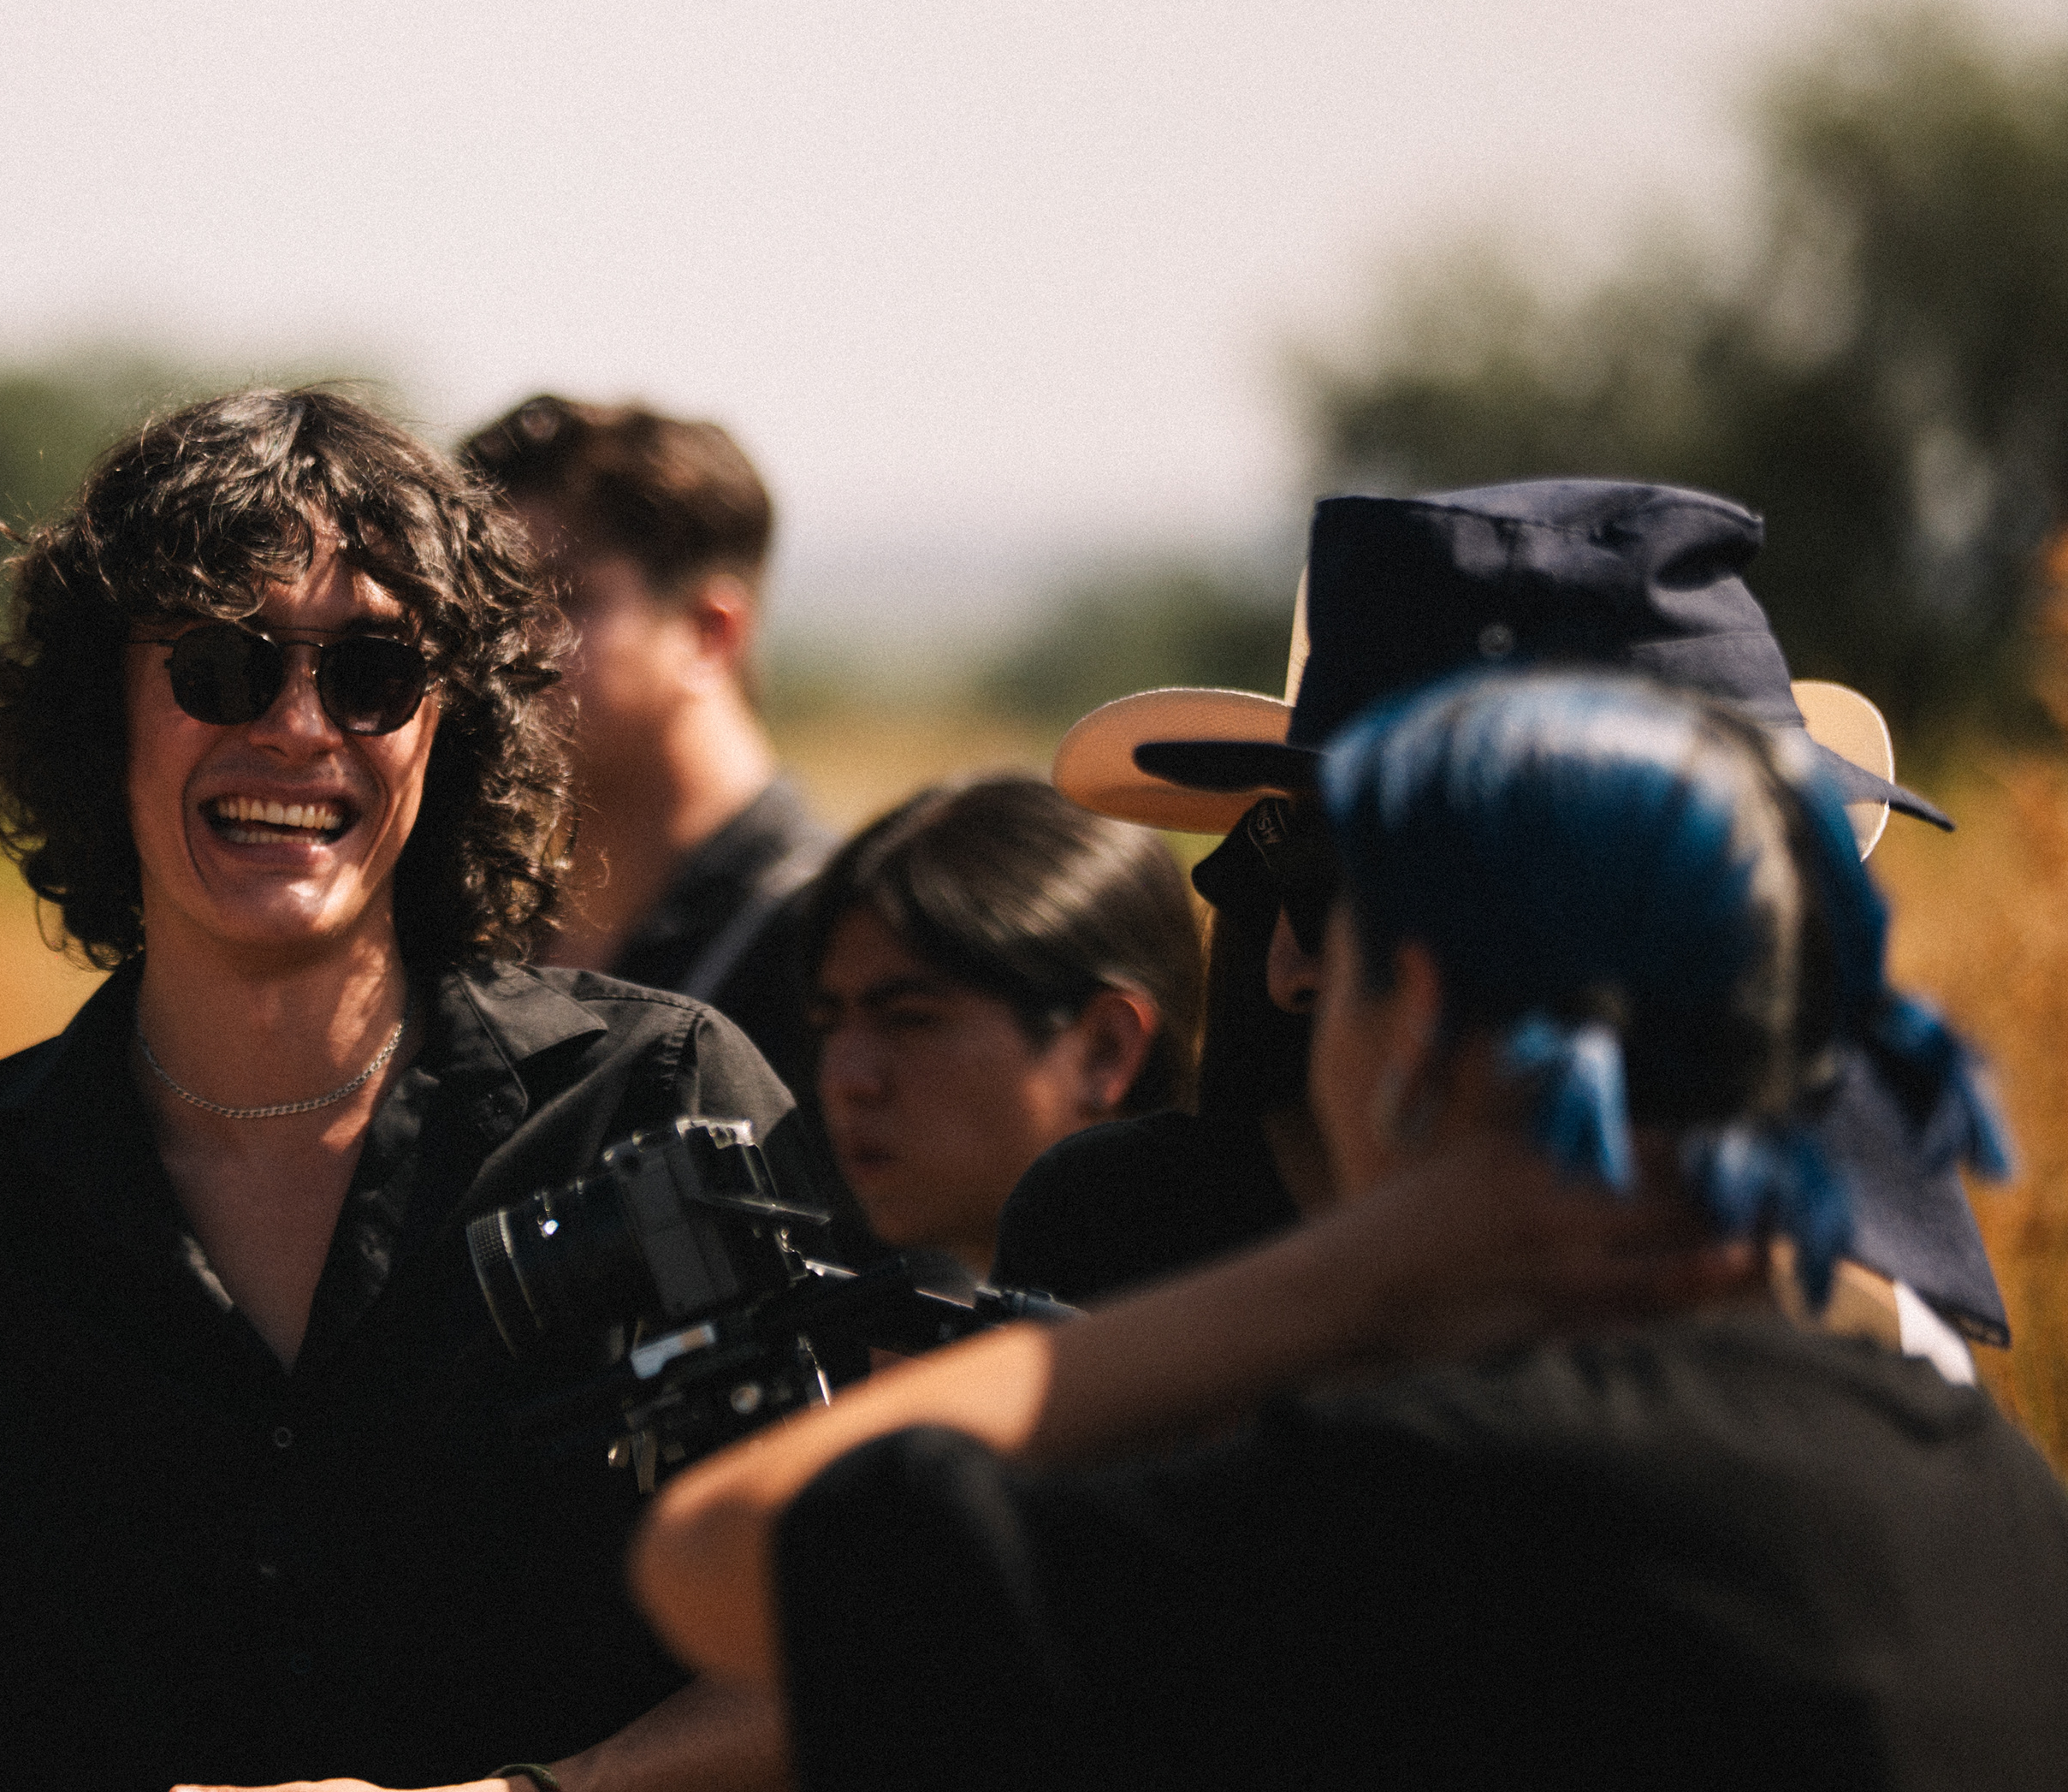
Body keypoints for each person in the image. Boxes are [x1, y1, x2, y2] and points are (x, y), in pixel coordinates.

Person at [632, 668, 2068, 1790]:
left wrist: (1358, 1269)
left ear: (1417, 1012)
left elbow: (729, 1561)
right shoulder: (1985, 1486)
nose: (1282, 972)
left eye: (1324, 917)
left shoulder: (1424, 1516)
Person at [0, 389, 795, 1792]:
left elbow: (840, 1652)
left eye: (374, 673)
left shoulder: (659, 1109)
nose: (302, 727)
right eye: (224, 663)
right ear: (103, 710)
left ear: (448, 726)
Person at [993, 478, 2008, 1378]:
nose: (1288, 965)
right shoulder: (1890, 1372)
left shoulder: (1826, 1348)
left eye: (1348, 892)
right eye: (1286, 876)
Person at [454, 396, 831, 1076]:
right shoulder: (485, 926)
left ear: (710, 633)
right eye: (485, 603)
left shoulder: (833, 952)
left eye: (560, 599)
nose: (502, 645)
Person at [800, 777, 1199, 1282]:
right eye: (828, 1024)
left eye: (910, 1020)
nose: (846, 1081)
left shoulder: (1248, 1323)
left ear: (1105, 1049)